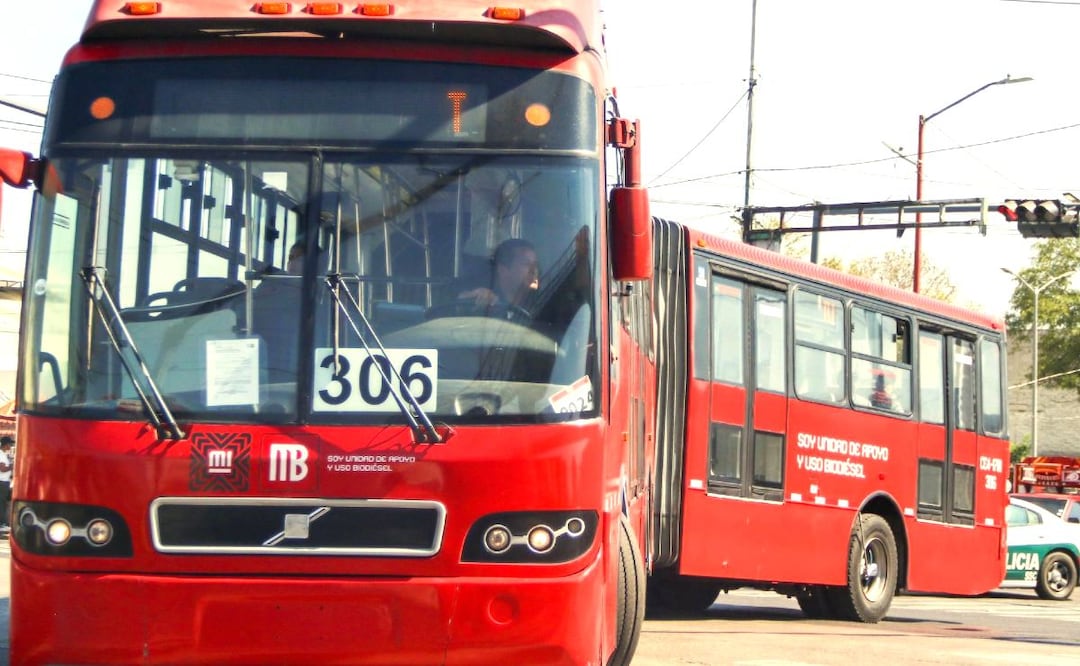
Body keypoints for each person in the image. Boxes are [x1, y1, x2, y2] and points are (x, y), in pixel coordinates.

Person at [459, 238, 540, 314]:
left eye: (535, 265)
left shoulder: (541, 302)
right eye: (526, 264)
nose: (534, 271)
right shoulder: (485, 298)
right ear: (503, 270)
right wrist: (470, 300)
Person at [0, 436, 13, 530]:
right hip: (2, 482)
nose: (11, 446)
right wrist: (12, 466)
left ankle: (3, 523)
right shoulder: (1, 454)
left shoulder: (4, 454)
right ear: (6, 444)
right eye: (10, 444)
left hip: (5, 481)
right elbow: (2, 468)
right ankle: (2, 524)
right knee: (2, 503)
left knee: (4, 503)